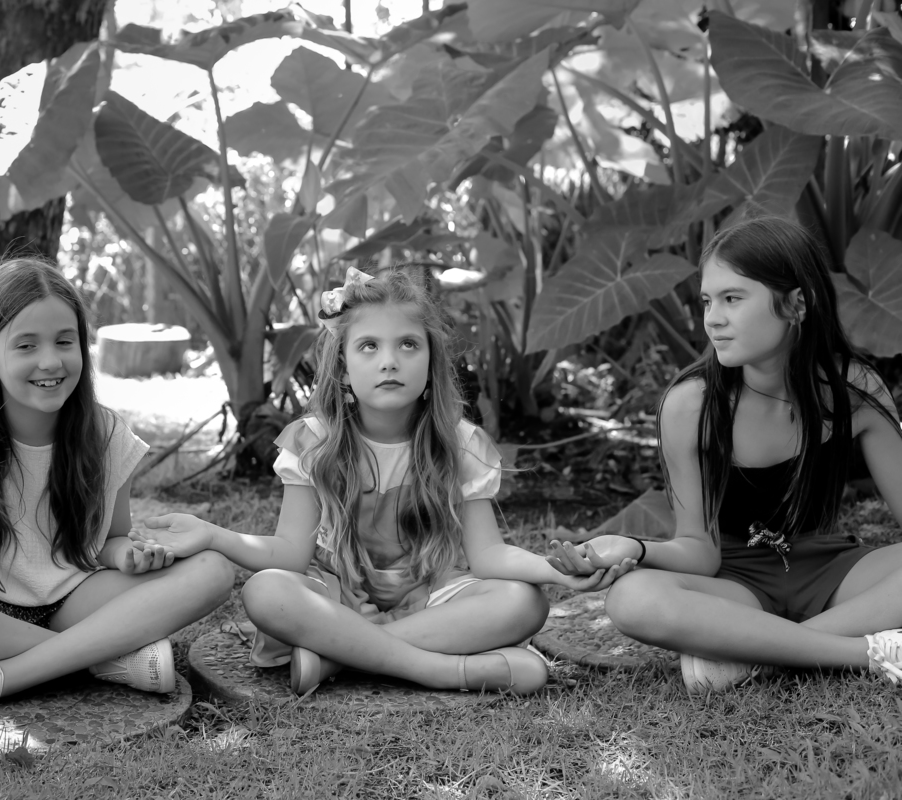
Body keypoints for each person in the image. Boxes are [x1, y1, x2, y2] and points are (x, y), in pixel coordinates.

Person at [134, 266, 631, 696]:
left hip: (432, 593)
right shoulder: (315, 441)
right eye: (369, 346)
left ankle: (341, 656)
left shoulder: (460, 444)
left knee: (523, 601)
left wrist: (553, 570)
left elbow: (487, 556)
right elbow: (288, 555)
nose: (389, 361)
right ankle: (440, 669)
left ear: (432, 363)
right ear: (343, 367)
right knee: (267, 592)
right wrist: (212, 534)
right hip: (337, 595)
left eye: (408, 345)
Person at [0, 257, 233, 720]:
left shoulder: (107, 434)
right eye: (26, 345)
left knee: (213, 570)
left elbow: (109, 542)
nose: (51, 361)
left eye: (64, 341)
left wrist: (129, 555)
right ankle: (102, 660)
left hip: (72, 599)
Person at [546, 216, 902, 693]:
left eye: (733, 298)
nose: (713, 319)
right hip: (735, 584)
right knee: (633, 598)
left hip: (831, 571)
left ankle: (759, 654)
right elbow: (698, 549)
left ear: (797, 303)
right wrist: (636, 547)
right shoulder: (689, 406)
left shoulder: (854, 390)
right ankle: (863, 652)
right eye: (708, 301)